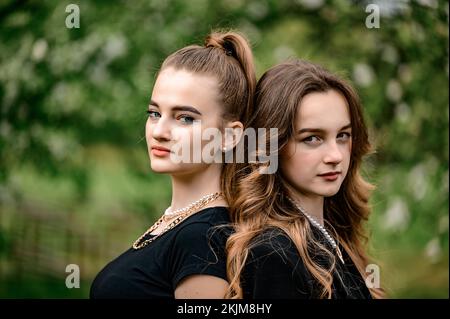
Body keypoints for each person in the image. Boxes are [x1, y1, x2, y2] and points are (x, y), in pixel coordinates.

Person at [90, 30, 256, 299]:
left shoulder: (203, 237)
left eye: (185, 118)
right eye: (155, 113)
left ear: (229, 136)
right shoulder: (181, 223)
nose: (160, 131)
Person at [225, 59, 385, 299]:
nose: (336, 156)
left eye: (343, 135)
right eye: (312, 138)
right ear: (271, 146)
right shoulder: (273, 254)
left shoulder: (332, 234)